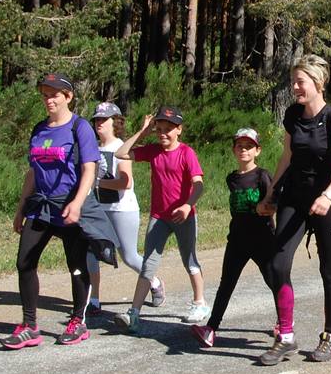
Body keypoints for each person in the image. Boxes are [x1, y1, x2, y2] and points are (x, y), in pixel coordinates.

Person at [256, 54, 331, 365]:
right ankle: (285, 337)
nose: (294, 87)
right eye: (293, 81)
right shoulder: (293, 115)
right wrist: (270, 194)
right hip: (294, 198)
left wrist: (327, 196)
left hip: (327, 203)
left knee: (329, 271)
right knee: (277, 264)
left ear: (318, 83)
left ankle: (330, 337)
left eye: (300, 82)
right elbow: (286, 156)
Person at [4, 72, 102, 350]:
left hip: (68, 203)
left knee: (76, 265)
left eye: (54, 94)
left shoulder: (79, 127)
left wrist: (78, 203)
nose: (48, 100)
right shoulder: (39, 129)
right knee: (25, 262)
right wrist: (21, 206)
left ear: (68, 97)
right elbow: (33, 171)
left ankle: (77, 321)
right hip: (41, 205)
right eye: (45, 94)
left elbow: (89, 169)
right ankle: (29, 325)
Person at [114, 106, 207, 334]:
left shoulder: (187, 153)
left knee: (190, 261)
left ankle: (200, 303)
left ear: (179, 130)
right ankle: (134, 314)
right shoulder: (153, 150)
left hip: (184, 216)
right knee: (148, 265)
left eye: (168, 129)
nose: (163, 133)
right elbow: (121, 153)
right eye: (160, 129)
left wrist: (188, 205)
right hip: (159, 217)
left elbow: (198, 184)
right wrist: (143, 132)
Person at [192, 128, 277, 348]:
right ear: (234, 150)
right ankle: (211, 328)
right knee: (226, 284)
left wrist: (265, 210)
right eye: (240, 146)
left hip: (263, 240)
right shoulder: (231, 178)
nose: (244, 150)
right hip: (237, 240)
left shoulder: (262, 176)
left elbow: (273, 205)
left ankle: (285, 323)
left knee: (274, 281)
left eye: (249, 146)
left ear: (257, 150)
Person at [90, 102, 149, 314]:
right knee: (91, 254)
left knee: (129, 256)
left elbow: (126, 182)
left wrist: (95, 183)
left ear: (115, 122)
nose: (99, 123)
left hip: (122, 209)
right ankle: (93, 299)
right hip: (96, 209)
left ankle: (155, 281)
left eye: (103, 119)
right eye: (96, 119)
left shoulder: (120, 148)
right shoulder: (92, 148)